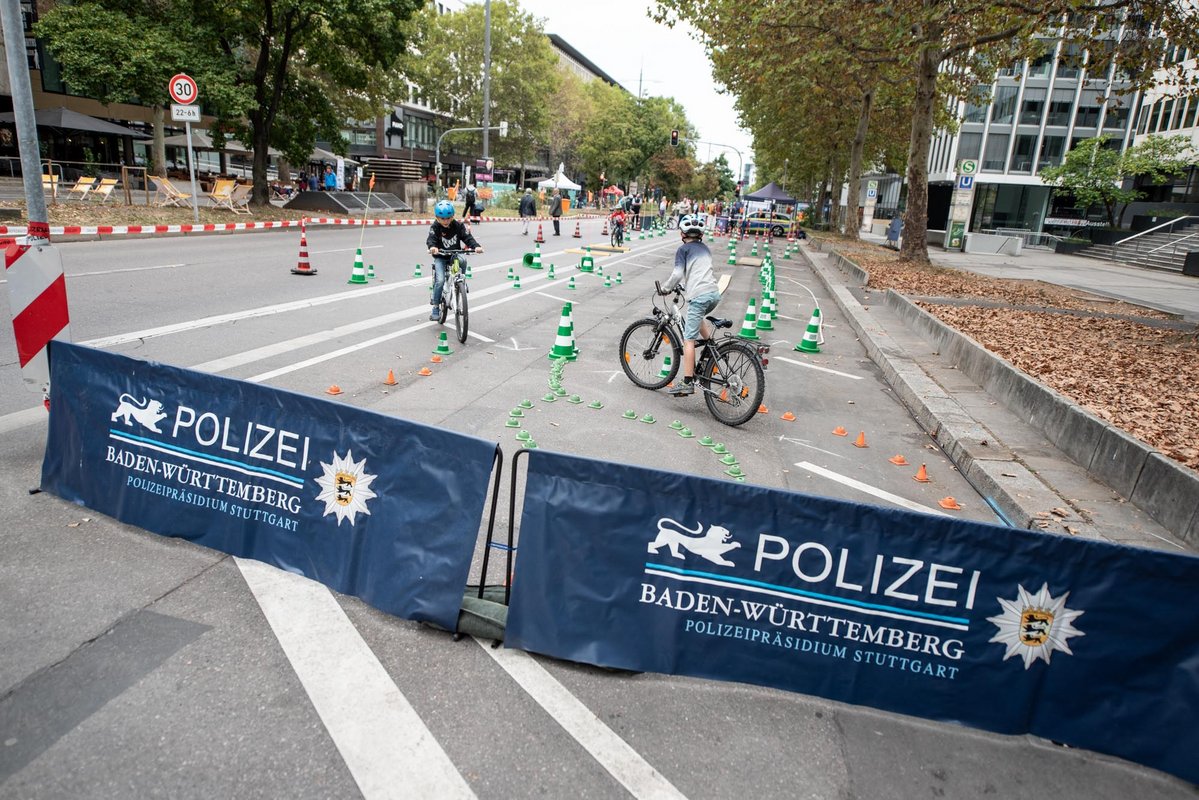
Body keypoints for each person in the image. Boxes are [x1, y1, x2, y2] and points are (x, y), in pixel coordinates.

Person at [660, 214, 721, 397]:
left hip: (700, 296)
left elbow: (678, 274)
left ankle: (687, 382)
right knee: (697, 316)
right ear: (700, 234)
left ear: (682, 233)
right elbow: (699, 273)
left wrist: (666, 288)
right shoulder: (705, 249)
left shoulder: (683, 250)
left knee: (688, 339)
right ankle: (711, 344)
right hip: (713, 294)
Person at [426, 200, 483, 320]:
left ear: (453, 216)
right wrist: (433, 247)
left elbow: (467, 237)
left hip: (454, 255)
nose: (445, 221)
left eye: (448, 218)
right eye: (442, 218)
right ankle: (436, 307)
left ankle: (461, 280)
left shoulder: (458, 226)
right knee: (440, 281)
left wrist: (476, 246)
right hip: (441, 257)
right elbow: (431, 239)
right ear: (437, 217)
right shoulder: (435, 227)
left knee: (463, 260)